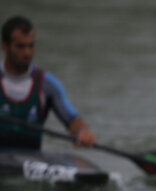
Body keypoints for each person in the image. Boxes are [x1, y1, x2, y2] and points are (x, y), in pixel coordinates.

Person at [0, 15, 95, 150]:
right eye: (20, 46)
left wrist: (82, 132)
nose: (27, 52)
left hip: (29, 161)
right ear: (5, 46)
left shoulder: (47, 84)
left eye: (31, 46)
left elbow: (71, 119)